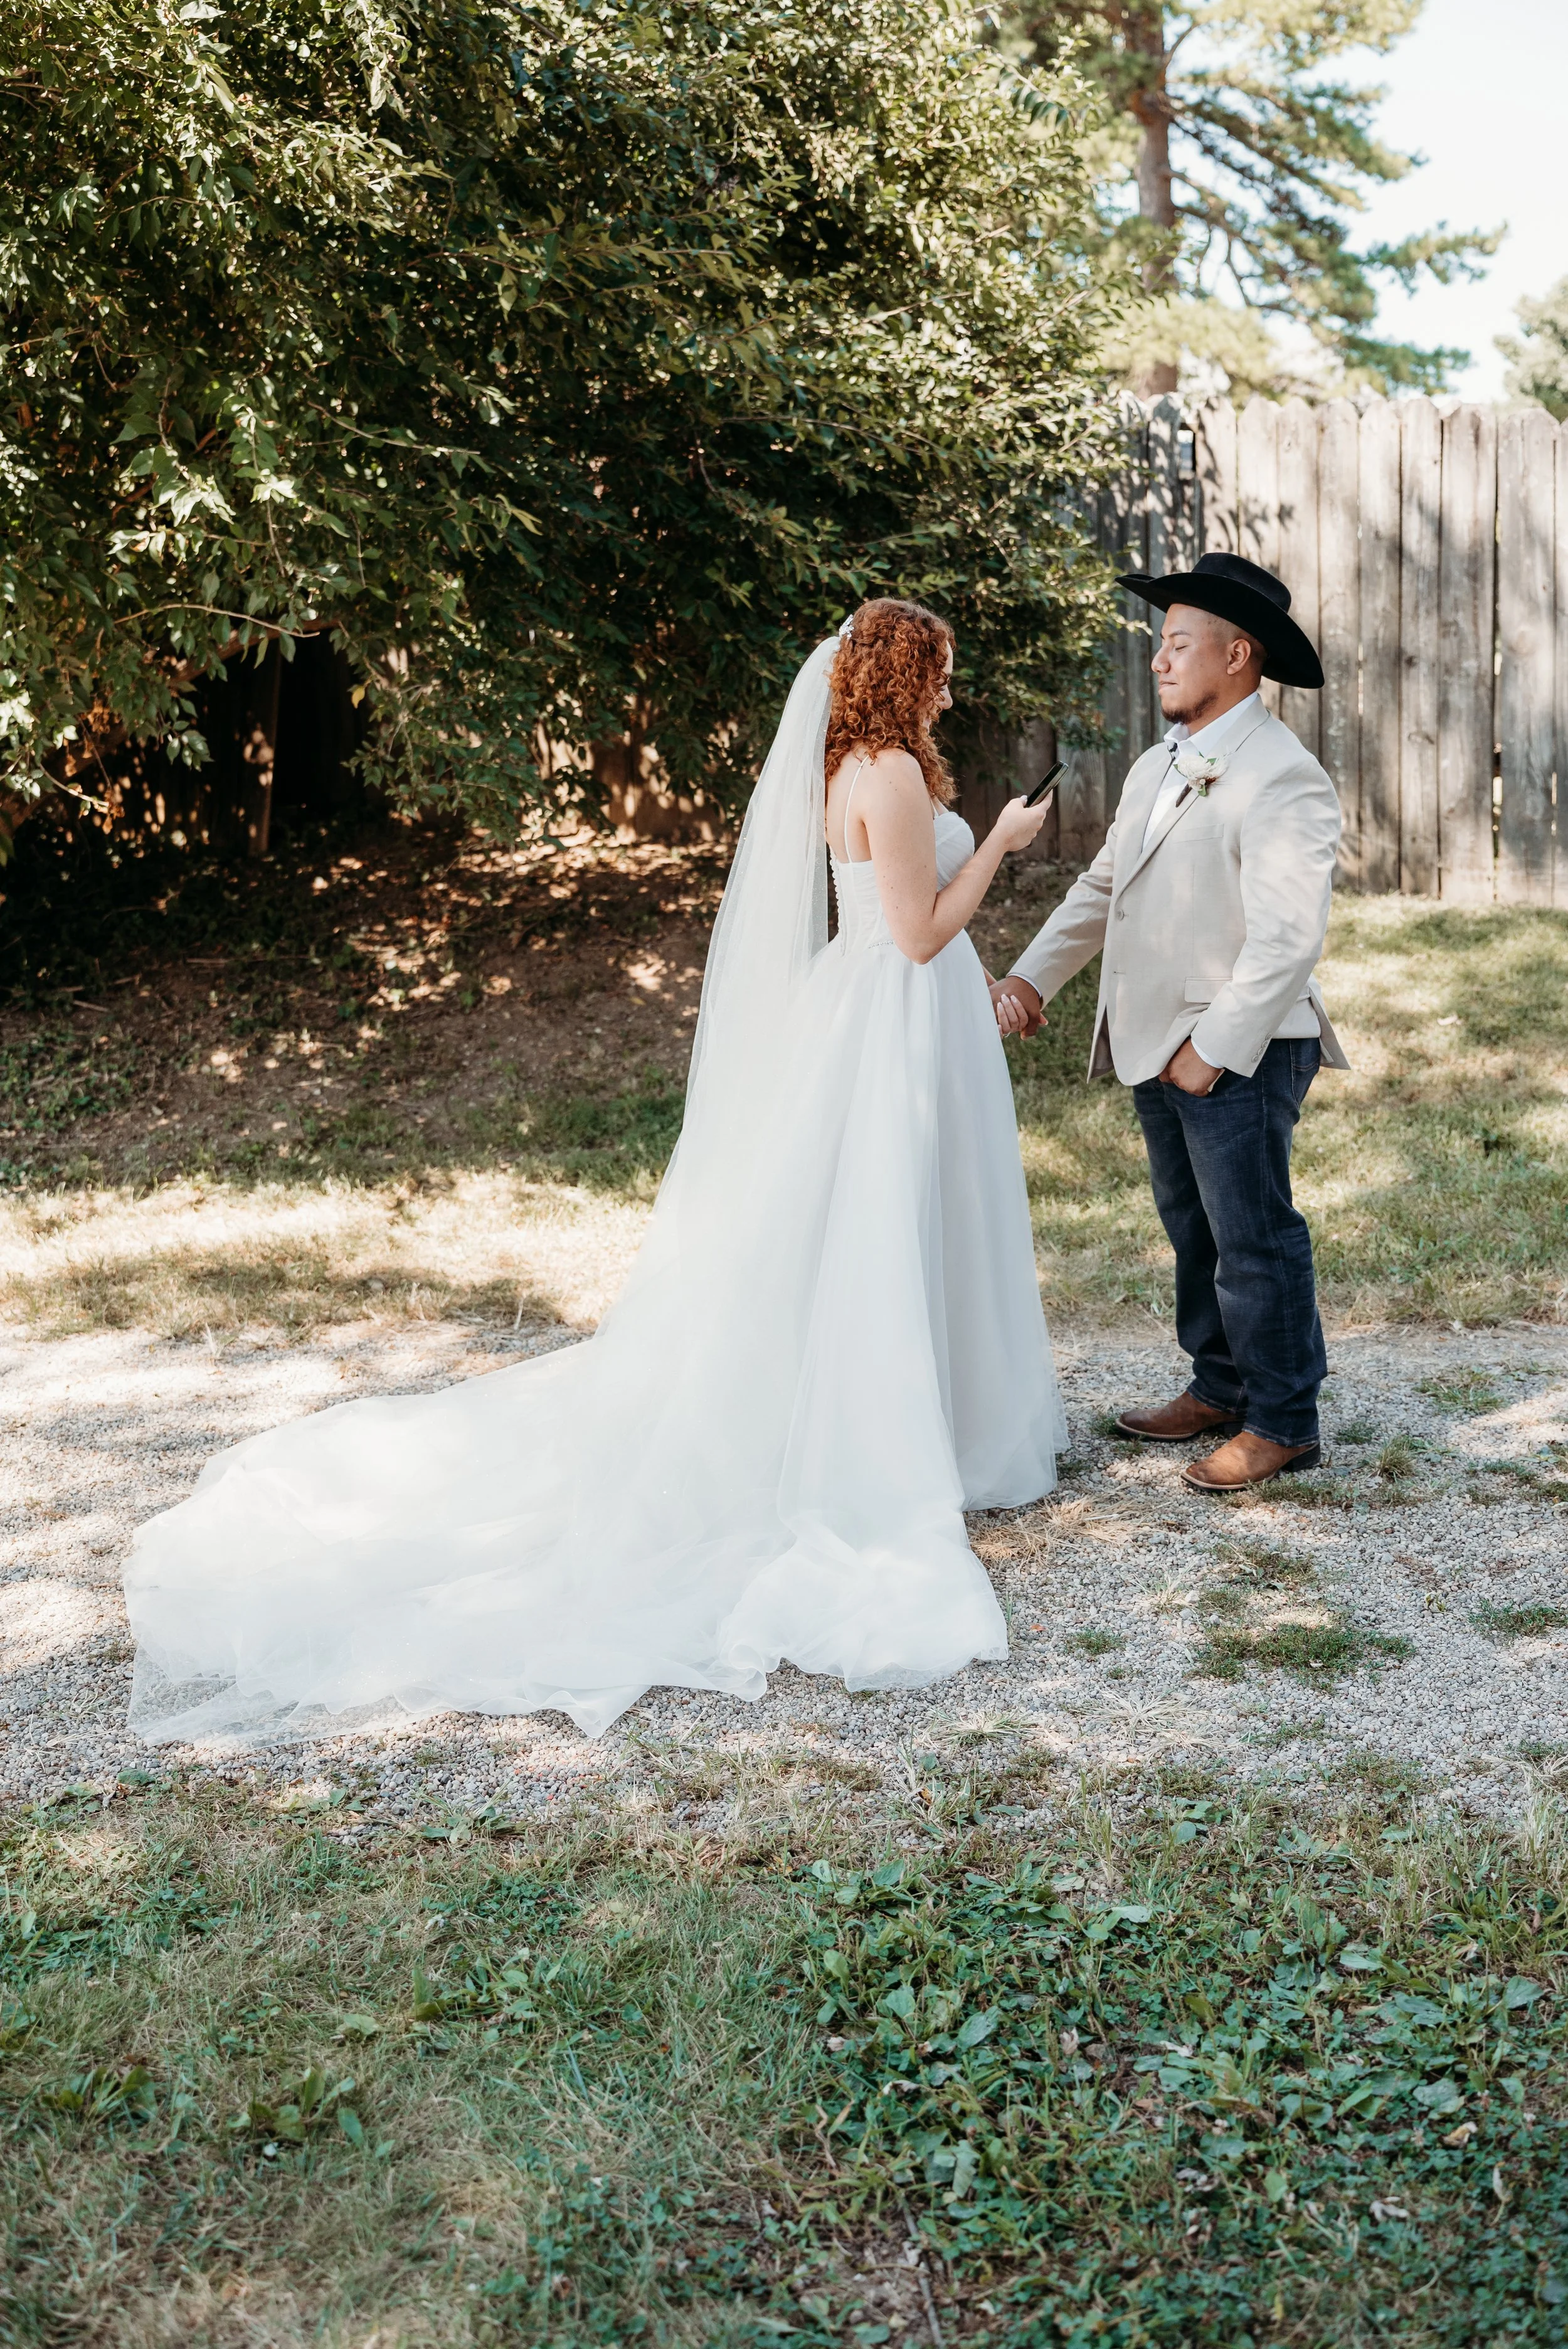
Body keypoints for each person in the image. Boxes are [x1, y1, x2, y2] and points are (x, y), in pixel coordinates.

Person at [124, 598, 1064, 1744]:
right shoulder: (896, 779)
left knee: (862, 1240)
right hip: (894, 1022)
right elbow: (919, 935)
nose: (952, 693)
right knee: (883, 1236)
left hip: (867, 1022)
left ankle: (903, 1421)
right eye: (943, 673)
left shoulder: (844, 771)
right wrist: (1006, 848)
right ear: (903, 675)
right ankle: (884, 1445)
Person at [992, 551, 1348, 1495]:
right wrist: (1031, 980)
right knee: (1194, 1230)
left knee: (1253, 1236)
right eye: (1160, 643)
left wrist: (1209, 1051)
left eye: (1177, 643)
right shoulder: (1158, 765)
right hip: (1154, 1041)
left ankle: (1284, 1420)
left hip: (1242, 1048)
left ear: (1239, 655)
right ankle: (1219, 1384)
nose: (1158, 660)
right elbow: (1103, 887)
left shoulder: (1286, 777)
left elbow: (1286, 942)